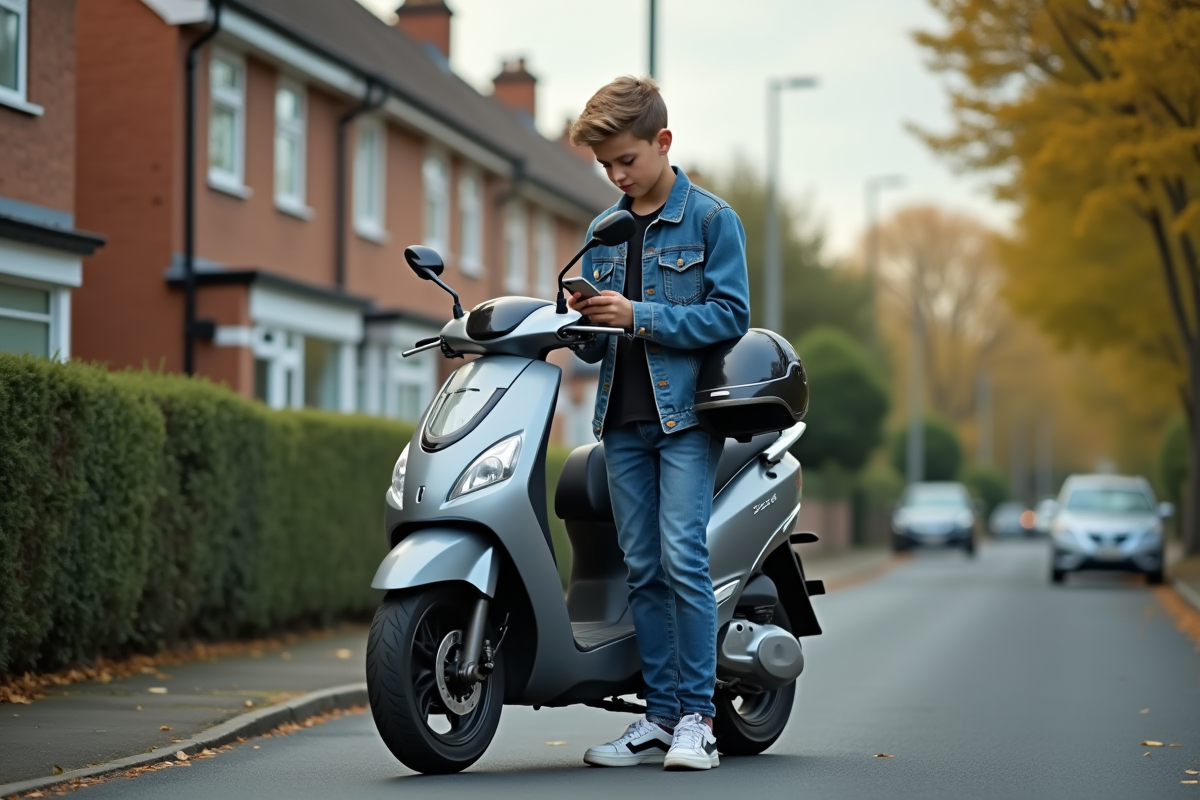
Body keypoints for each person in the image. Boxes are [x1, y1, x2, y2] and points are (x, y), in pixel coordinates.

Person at [565, 75, 750, 771]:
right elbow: (595, 347)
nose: (617, 175)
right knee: (642, 568)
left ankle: (699, 719)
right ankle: (660, 717)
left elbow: (729, 316)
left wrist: (638, 315)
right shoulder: (602, 231)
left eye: (627, 160)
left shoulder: (711, 220)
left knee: (682, 560)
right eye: (605, 165)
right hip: (620, 419)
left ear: (663, 141)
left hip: (684, 420)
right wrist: (583, 318)